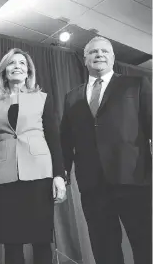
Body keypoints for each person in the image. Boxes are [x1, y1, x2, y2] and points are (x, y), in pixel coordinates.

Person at [60, 36, 152, 264]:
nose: (99, 54)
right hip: (93, 185)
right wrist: (61, 174)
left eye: (104, 51)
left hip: (134, 180)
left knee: (145, 244)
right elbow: (65, 139)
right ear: (85, 60)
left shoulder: (136, 84)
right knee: (104, 250)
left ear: (113, 57)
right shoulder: (71, 97)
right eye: (93, 52)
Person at [0, 48, 67, 264]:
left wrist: (59, 175)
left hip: (39, 174)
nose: (17, 66)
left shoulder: (42, 98)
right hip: (4, 178)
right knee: (11, 242)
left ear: (29, 71)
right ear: (4, 71)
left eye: (22, 63)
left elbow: (54, 138)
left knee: (40, 240)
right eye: (12, 63)